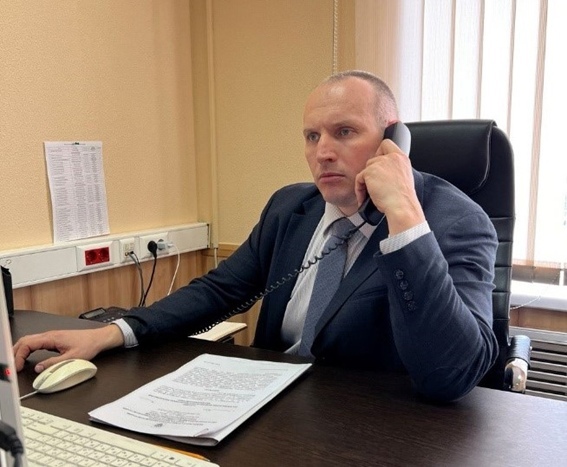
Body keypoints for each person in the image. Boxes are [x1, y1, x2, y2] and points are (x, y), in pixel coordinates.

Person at [13, 70, 499, 402]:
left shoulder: (456, 221)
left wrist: (405, 219)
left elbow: (449, 376)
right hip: (267, 406)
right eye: (312, 136)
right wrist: (112, 332)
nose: (323, 153)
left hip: (375, 429)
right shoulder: (291, 207)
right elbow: (219, 290)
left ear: (393, 140)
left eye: (345, 132)